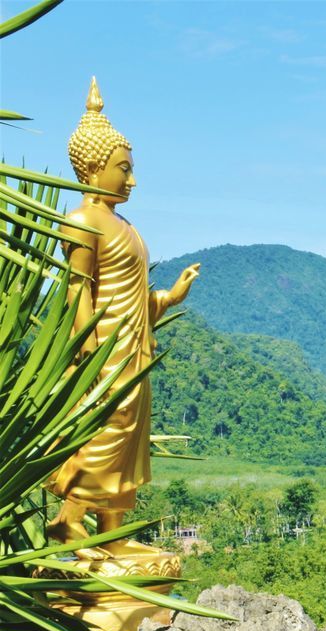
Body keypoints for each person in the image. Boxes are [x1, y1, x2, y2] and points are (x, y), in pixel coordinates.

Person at [45, 78, 200, 560]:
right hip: (106, 353)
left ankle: (111, 529)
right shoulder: (83, 221)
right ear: (93, 167)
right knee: (107, 430)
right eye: (124, 169)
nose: (131, 180)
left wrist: (168, 299)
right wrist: (86, 347)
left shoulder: (126, 228)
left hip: (135, 349)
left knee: (133, 439)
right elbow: (77, 290)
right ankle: (68, 522)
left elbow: (130, 297)